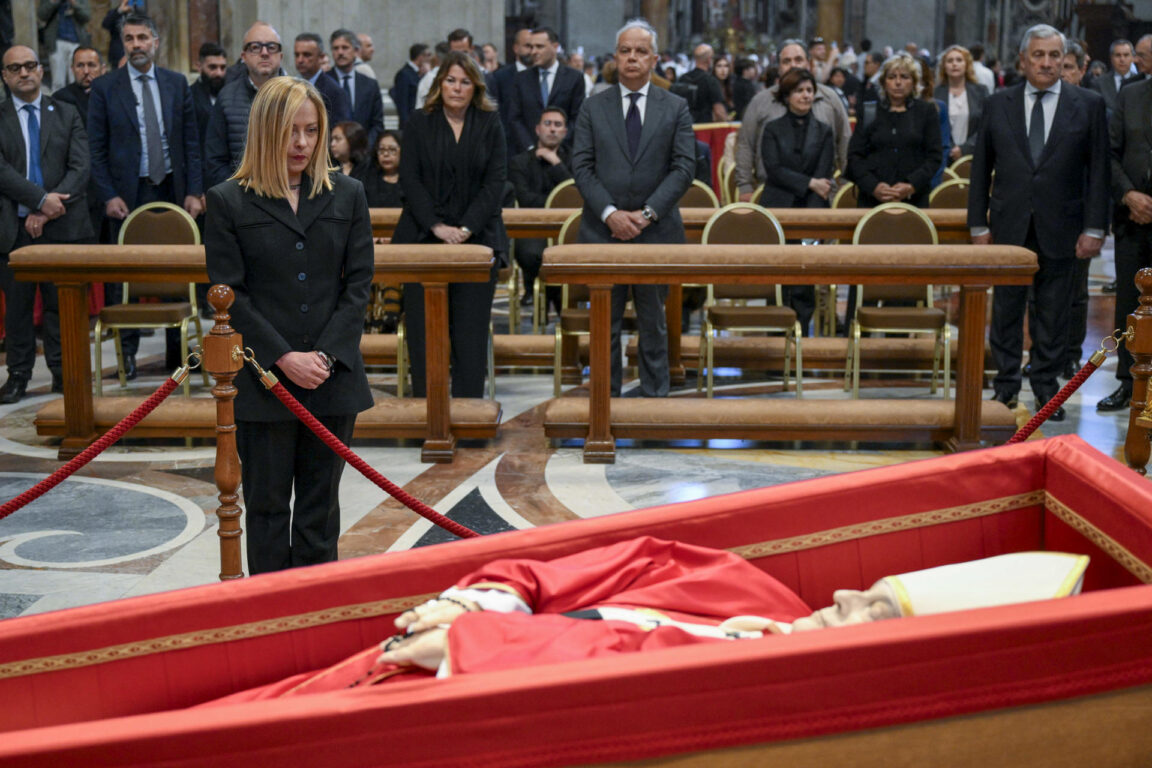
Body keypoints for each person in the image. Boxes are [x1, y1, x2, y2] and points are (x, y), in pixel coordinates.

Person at [200, 536, 1086, 700]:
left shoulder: (765, 696)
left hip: (457, 695)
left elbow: (607, 682)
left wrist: (469, 643)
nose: (848, 593)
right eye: (872, 584)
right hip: (447, 645)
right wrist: (490, 593)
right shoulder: (751, 591)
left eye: (875, 610)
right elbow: (616, 563)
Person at [204, 77, 374, 574]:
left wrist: (323, 356)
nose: (301, 143)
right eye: (289, 131)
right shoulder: (228, 200)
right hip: (263, 381)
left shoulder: (348, 194)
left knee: (320, 514)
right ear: (264, 131)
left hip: (332, 376)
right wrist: (282, 357)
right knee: (269, 509)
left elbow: (358, 285)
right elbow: (229, 295)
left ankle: (316, 616)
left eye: (312, 130)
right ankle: (271, 620)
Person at [969, 25, 1109, 420]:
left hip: (1063, 226)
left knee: (1054, 314)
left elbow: (1098, 171)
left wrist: (1095, 228)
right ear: (1022, 60)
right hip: (1008, 227)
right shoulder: (998, 104)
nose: (1046, 63)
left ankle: (1047, 390)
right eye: (1038, 55)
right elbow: (981, 170)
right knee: (1007, 312)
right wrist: (978, 224)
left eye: (1053, 55)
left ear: (1063, 60)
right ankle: (1007, 386)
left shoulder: (1088, 104)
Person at [571, 18, 695, 398]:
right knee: (603, 320)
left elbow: (684, 167)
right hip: (602, 231)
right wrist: (611, 213)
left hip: (655, 232)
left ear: (654, 59)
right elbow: (581, 166)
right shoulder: (593, 107)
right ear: (615, 58)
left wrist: (646, 214)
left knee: (653, 320)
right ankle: (604, 400)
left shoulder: (675, 106)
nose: (632, 58)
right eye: (625, 50)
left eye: (641, 51)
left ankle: (655, 398)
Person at [87, 14, 204, 375]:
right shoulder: (106, 87)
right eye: (129, 39)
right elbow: (96, 149)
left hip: (172, 186)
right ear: (123, 43)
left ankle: (176, 355)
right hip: (127, 192)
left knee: (173, 270)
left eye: (142, 38)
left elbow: (190, 142)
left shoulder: (176, 83)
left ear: (155, 42)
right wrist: (107, 195)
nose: (136, 44)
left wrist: (195, 191)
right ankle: (129, 356)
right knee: (127, 273)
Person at [393, 51, 507, 398]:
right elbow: (410, 180)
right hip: (423, 238)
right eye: (451, 80)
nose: (457, 88)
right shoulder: (418, 121)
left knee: (469, 333)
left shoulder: (489, 123)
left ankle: (469, 415)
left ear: (476, 87)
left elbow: (496, 182)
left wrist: (467, 228)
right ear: (439, 83)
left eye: (465, 82)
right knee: (424, 332)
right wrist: (437, 227)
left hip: (477, 238)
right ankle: (426, 414)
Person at [0, 45, 92, 402]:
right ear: (5, 76)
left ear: (41, 70)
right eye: (15, 68)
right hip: (13, 230)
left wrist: (47, 209)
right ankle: (19, 376)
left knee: (61, 306)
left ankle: (63, 373)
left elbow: (81, 167)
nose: (24, 73)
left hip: (62, 227)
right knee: (19, 309)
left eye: (30, 65)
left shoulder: (66, 113)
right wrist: (38, 200)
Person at [758, 68, 835, 335]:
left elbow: (824, 174)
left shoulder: (824, 131)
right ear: (787, 95)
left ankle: (802, 330)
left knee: (804, 276)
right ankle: (775, 333)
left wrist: (814, 185)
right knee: (777, 273)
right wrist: (808, 182)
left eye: (809, 90)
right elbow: (773, 169)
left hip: (811, 208)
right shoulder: (772, 128)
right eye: (799, 91)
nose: (805, 95)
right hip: (778, 205)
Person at [1099, 59, 1152, 412]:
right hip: (1133, 216)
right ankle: (1127, 382)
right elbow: (1109, 153)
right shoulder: (1130, 94)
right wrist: (1128, 195)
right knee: (1129, 303)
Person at [735, 40, 850, 202]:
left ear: (808, 63)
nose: (793, 65)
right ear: (779, 67)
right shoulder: (760, 102)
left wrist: (846, 182)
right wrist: (745, 186)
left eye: (798, 60)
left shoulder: (829, 99)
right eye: (786, 61)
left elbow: (844, 141)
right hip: (772, 188)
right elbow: (746, 144)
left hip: (821, 191)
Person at [845, 52, 941, 208]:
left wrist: (911, 185)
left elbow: (934, 157)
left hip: (914, 198)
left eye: (904, 77)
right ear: (883, 83)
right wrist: (873, 186)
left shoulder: (926, 111)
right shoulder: (869, 111)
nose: (898, 82)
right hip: (872, 198)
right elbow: (855, 156)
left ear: (914, 82)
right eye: (891, 77)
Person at [509, 106, 572, 320]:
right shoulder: (519, 162)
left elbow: (575, 196)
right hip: (533, 228)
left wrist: (556, 164)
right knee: (531, 254)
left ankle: (545, 298)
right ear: (537, 129)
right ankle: (552, 296)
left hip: (567, 229)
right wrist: (557, 203)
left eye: (558, 125)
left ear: (565, 131)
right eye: (548, 124)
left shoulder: (575, 160)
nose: (552, 129)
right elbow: (525, 200)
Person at [204, 22, 284, 189]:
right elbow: (215, 160)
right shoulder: (226, 98)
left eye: (271, 47)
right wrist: (239, 194)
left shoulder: (301, 96)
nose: (264, 53)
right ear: (244, 57)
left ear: (281, 56)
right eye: (255, 47)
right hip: (242, 199)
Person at [354, 130, 403, 333]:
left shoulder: (411, 182)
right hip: (370, 244)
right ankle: (366, 323)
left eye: (392, 150)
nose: (386, 154)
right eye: (382, 150)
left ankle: (389, 319)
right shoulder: (367, 179)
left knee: (392, 268)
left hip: (401, 246)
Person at [51, 45, 102, 243]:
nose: (86, 71)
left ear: (102, 68)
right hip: (81, 188)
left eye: (91, 65)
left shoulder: (111, 95)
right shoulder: (61, 99)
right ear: (72, 69)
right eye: (80, 65)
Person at [507, 26, 584, 154]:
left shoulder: (574, 78)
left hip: (563, 155)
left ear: (555, 47)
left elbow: (577, 118)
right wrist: (531, 147)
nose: (533, 52)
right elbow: (515, 118)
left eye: (539, 46)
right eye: (531, 47)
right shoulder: (521, 79)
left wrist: (556, 146)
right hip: (528, 155)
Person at [327, 29, 382, 149]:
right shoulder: (323, 83)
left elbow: (377, 123)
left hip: (364, 153)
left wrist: (366, 147)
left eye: (345, 47)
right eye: (336, 48)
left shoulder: (370, 85)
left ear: (356, 51)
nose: (340, 52)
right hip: (331, 153)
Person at [935, 45, 989, 163]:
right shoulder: (935, 93)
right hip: (942, 157)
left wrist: (964, 149)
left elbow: (986, 125)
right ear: (944, 66)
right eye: (950, 61)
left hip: (973, 156)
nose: (954, 64)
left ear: (967, 65)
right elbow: (934, 127)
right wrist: (951, 148)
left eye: (959, 60)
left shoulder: (981, 92)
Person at [293, 33, 351, 130]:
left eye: (306, 55)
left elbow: (338, 132)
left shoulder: (335, 92)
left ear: (321, 57)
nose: (300, 60)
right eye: (297, 55)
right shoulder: (290, 87)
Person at [416, 28, 474, 110]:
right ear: (449, 51)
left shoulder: (482, 77)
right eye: (456, 53)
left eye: (464, 52)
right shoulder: (432, 78)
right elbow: (422, 111)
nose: (461, 58)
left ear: (471, 49)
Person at [38, 0, 90, 92]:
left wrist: (74, 3)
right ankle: (57, 104)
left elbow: (86, 16)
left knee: (76, 79)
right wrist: (53, 2)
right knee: (58, 81)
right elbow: (42, 15)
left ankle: (77, 104)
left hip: (77, 42)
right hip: (56, 42)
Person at [189, 42, 228, 154]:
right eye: (212, 67)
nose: (219, 73)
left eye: (222, 67)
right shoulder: (189, 96)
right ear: (199, 67)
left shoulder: (230, 94)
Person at [675, 43, 726, 124]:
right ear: (709, 59)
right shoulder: (711, 81)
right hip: (704, 129)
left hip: (684, 126)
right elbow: (719, 111)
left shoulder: (683, 78)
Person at [391, 43, 429, 129]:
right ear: (420, 57)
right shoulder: (404, 74)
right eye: (427, 55)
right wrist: (406, 125)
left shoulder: (421, 74)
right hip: (409, 123)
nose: (429, 59)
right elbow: (402, 103)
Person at [1094, 38, 1136, 115]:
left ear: (1133, 58)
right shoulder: (1099, 83)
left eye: (1126, 55)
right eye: (1118, 55)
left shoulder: (1140, 81)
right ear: (1111, 58)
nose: (1122, 59)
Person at [100, 0, 142, 68]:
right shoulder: (114, 13)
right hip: (117, 54)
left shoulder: (140, 13)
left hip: (136, 52)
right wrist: (119, 11)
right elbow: (105, 24)